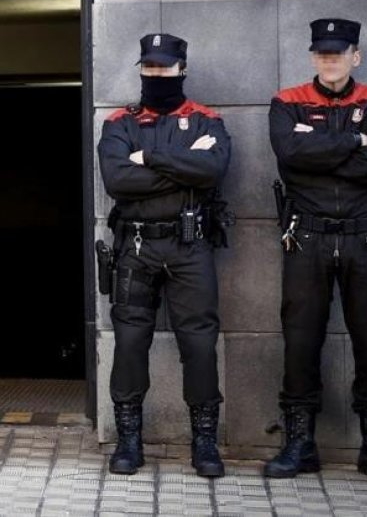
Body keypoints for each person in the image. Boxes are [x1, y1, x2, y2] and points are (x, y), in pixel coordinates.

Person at [264, 18, 367, 484]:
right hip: (307, 236)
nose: (330, 59)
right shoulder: (288, 103)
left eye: (339, 52)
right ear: (312, 57)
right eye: (322, 53)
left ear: (355, 56)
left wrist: (320, 148)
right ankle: (299, 444)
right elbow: (291, 158)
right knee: (301, 340)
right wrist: (353, 141)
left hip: (365, 238)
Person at [97, 33, 232, 478]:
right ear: (141, 69)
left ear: (182, 69)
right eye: (149, 67)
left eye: (165, 67)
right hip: (136, 246)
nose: (156, 74)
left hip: (190, 246)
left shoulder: (206, 120)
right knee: (131, 342)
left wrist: (150, 156)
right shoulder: (119, 122)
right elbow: (119, 181)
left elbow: (212, 172)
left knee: (199, 343)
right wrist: (181, 169)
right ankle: (129, 442)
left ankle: (205, 444)